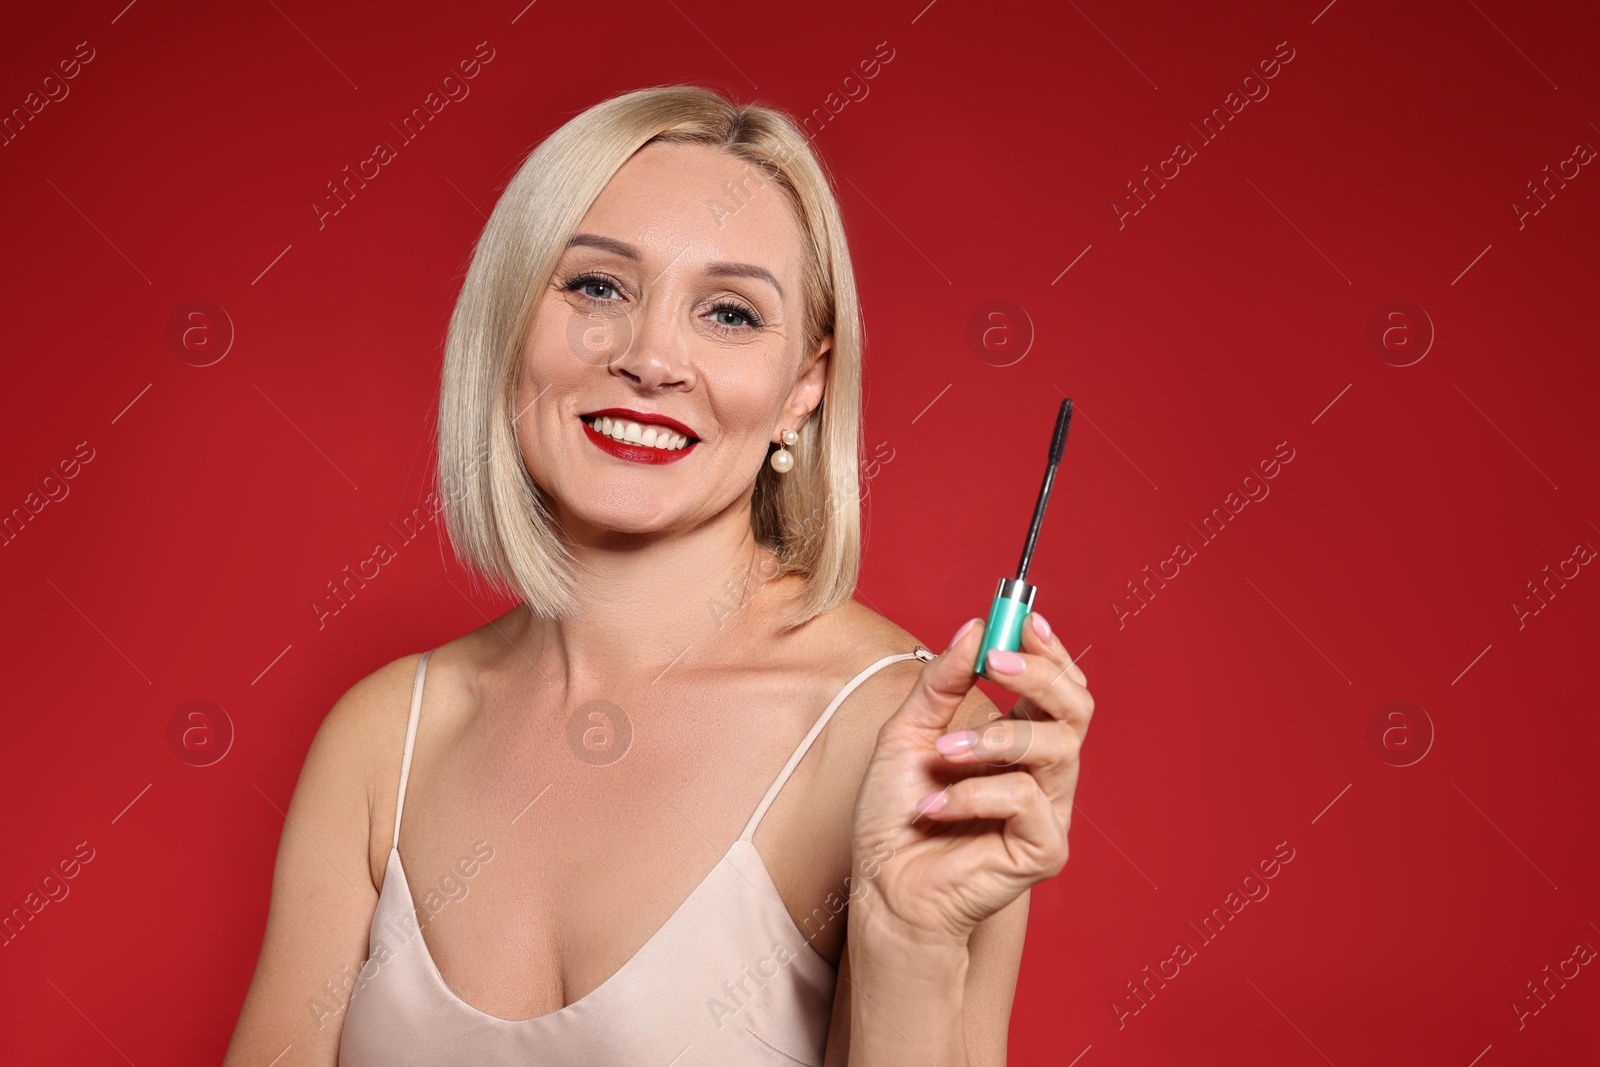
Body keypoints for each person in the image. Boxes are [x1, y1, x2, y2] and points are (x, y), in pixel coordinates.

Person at [224, 84, 1094, 1066]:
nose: (650, 357)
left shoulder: (906, 745)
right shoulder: (388, 735)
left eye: (728, 311)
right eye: (597, 287)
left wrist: (907, 944)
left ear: (801, 387)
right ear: (512, 324)